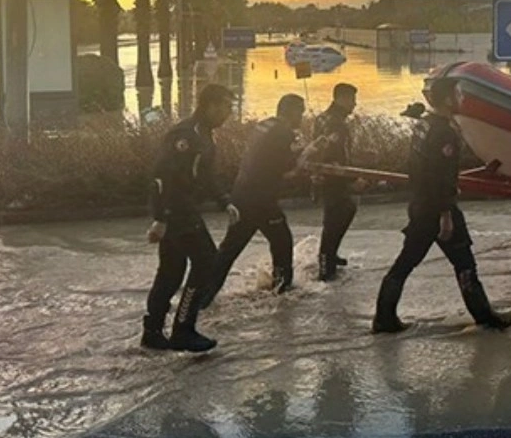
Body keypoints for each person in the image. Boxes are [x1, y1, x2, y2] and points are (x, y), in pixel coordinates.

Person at [372, 77, 511, 334]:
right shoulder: (444, 132)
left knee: (407, 263)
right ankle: (485, 317)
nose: (461, 98)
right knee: (464, 264)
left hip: (420, 204)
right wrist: (445, 215)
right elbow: (440, 177)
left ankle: (384, 317)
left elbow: (422, 169)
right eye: (458, 94)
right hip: (438, 209)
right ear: (448, 98)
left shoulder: (424, 126)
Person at [142, 84, 237, 353]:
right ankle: (183, 329)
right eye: (226, 107)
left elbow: (205, 175)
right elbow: (161, 177)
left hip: (183, 209)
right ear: (210, 105)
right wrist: (161, 218)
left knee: (171, 272)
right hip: (177, 211)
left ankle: (152, 333)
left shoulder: (205, 135)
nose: (228, 113)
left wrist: (225, 201)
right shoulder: (186, 135)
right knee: (206, 262)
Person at [202, 94, 309, 309]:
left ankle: (203, 296)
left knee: (229, 249)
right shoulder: (284, 131)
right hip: (262, 200)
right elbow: (287, 169)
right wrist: (306, 154)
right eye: (301, 112)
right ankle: (282, 290)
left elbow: (267, 156)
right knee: (282, 241)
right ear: (292, 112)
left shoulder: (264, 125)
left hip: (242, 194)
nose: (303, 117)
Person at [312, 83, 366, 281]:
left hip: (325, 175)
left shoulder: (321, 118)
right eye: (352, 99)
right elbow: (336, 156)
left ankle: (331, 255)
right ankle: (326, 266)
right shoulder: (337, 123)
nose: (354, 104)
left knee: (337, 216)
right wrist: (352, 180)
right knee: (336, 220)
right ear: (341, 99)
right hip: (334, 178)